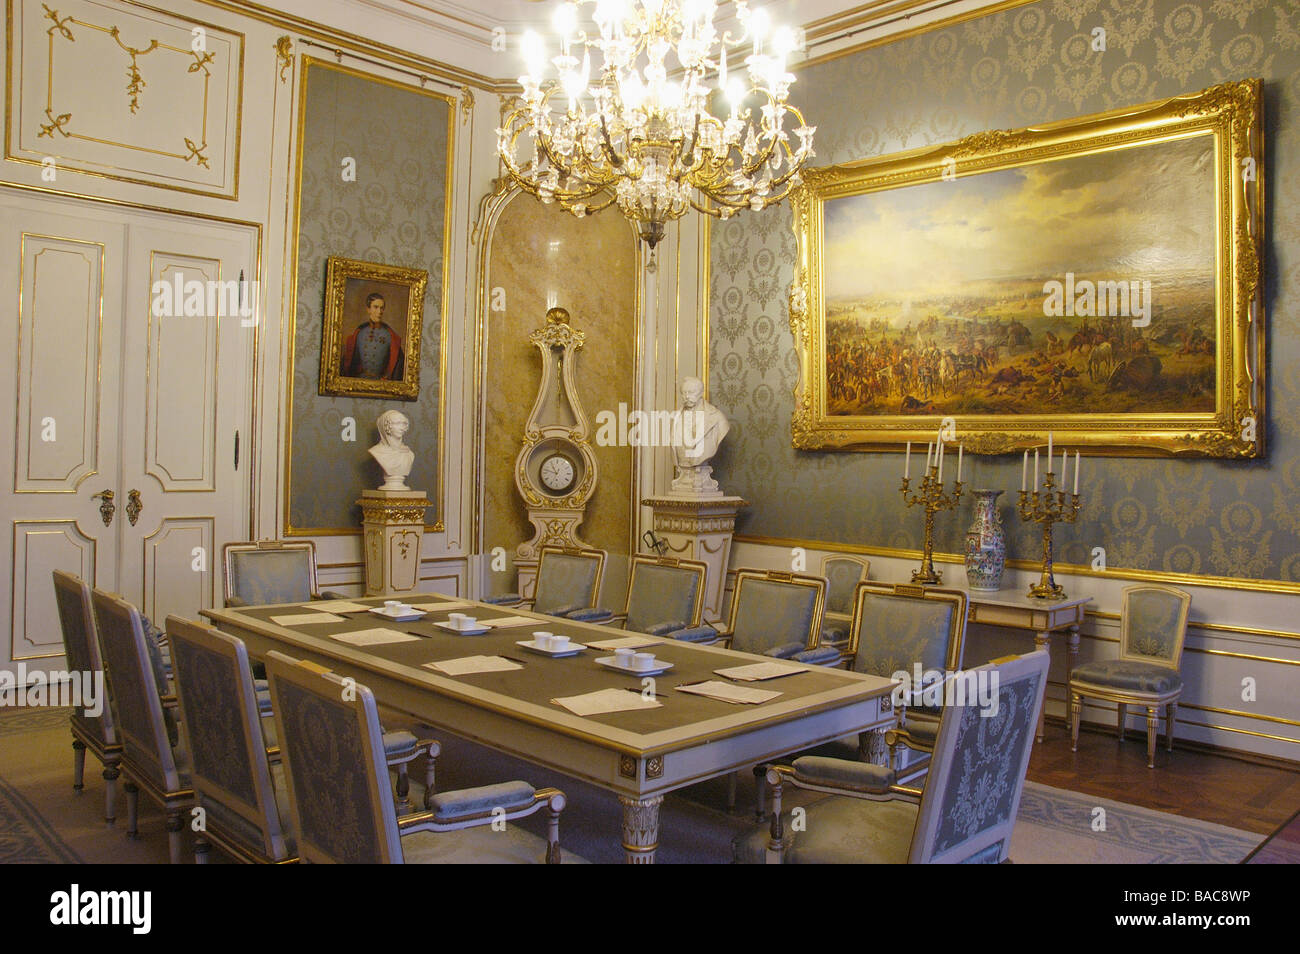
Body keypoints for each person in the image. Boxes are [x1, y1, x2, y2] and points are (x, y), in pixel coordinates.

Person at [341, 292, 405, 380]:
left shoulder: (389, 335)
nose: (379, 311)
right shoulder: (359, 333)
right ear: (368, 309)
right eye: (376, 307)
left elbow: (398, 365)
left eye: (382, 308)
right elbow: (349, 362)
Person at [368, 409, 414, 491]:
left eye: (404, 424)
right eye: (397, 423)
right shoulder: (377, 451)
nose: (402, 428)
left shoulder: (409, 454)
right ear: (386, 426)